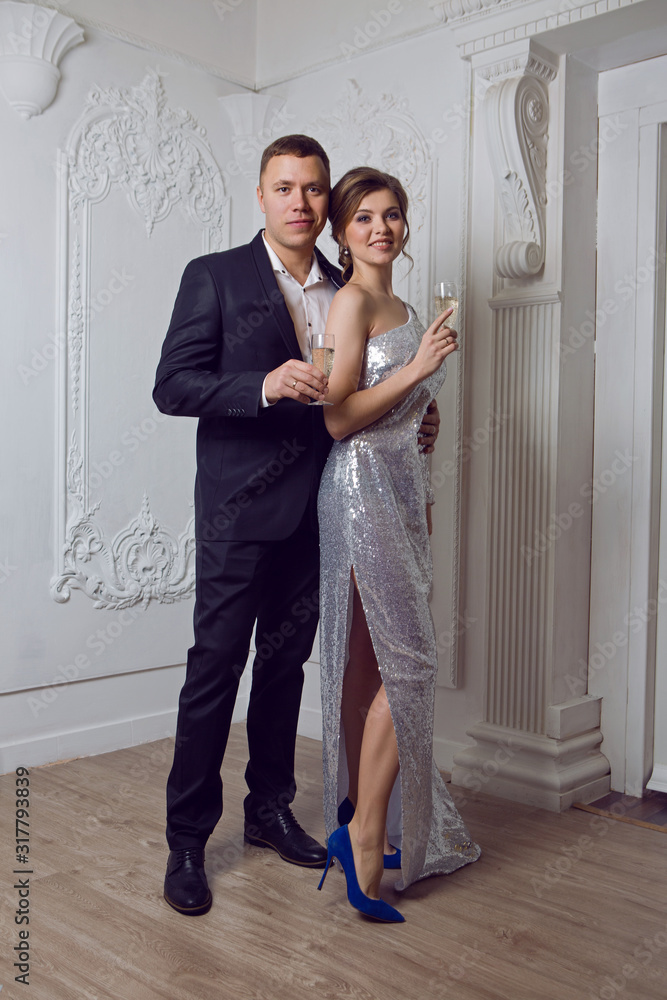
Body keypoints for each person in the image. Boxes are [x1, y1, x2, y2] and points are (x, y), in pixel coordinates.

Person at [153, 136, 441, 916]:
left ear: (326, 202)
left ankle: (269, 810)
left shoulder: (348, 284)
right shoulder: (213, 276)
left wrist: (418, 412)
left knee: (285, 672)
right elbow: (171, 385)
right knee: (215, 672)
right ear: (260, 195)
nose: (299, 202)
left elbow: (359, 389)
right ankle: (186, 841)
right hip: (238, 514)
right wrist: (261, 384)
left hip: (324, 508)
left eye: (313, 189)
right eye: (284, 188)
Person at [316, 168, 481, 923]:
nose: (381, 228)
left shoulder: (406, 305)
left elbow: (397, 406)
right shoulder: (349, 303)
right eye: (363, 217)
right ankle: (365, 830)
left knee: (372, 664)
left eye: (392, 216)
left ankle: (362, 815)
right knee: (410, 664)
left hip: (402, 486)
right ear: (341, 230)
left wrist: (427, 409)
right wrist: (416, 371)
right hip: (357, 490)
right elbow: (338, 419)